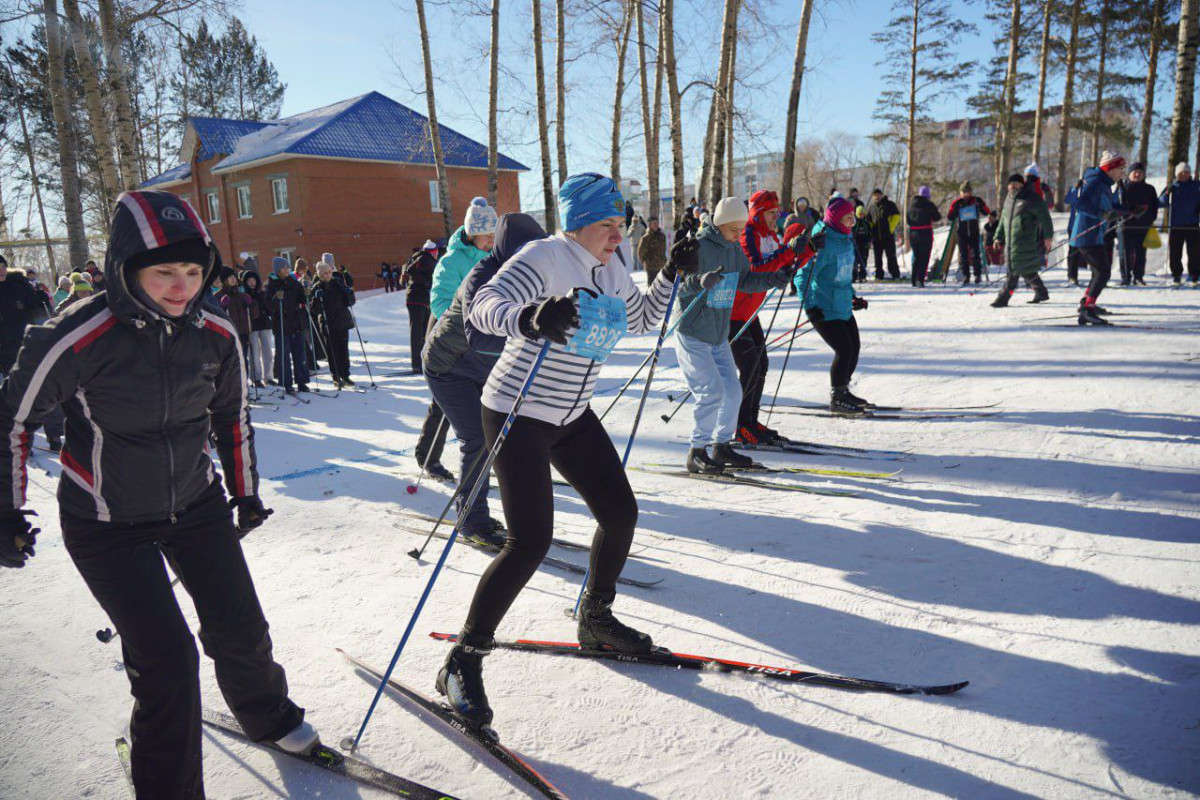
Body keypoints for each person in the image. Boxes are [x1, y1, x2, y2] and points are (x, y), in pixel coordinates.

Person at [0, 190, 318, 798]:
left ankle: (267, 715)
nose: (182, 286)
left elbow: (232, 417)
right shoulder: (77, 336)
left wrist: (245, 493)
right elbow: (10, 419)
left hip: (194, 503)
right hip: (105, 519)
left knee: (241, 626)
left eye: (194, 271)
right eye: (165, 271)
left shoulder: (216, 332)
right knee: (168, 663)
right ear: (127, 270)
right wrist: (4, 509)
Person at [440, 173, 682, 728]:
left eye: (623, 225)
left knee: (620, 513)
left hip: (571, 413)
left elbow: (643, 319)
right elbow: (483, 307)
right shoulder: (543, 256)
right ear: (579, 223)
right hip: (518, 410)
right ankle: (463, 659)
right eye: (608, 225)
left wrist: (670, 273)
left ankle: (595, 619)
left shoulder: (614, 266)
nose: (618, 236)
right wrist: (531, 317)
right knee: (530, 542)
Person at [422, 214, 546, 548]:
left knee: (503, 436)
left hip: (480, 369)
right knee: (478, 440)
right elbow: (477, 336)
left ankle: (496, 510)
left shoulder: (525, 275)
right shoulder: (482, 277)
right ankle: (471, 520)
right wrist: (530, 329)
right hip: (448, 366)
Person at [676, 195, 798, 472]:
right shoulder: (700, 246)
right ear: (720, 224)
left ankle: (721, 447)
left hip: (718, 334)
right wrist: (699, 281)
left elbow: (745, 279)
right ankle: (697, 451)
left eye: (741, 229)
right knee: (711, 392)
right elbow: (679, 283)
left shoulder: (733, 250)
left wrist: (773, 279)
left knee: (732, 391)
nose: (738, 235)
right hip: (693, 332)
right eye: (734, 229)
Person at [732, 190, 800, 446]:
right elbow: (756, 269)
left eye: (778, 213)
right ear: (760, 212)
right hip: (734, 312)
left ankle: (750, 420)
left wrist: (806, 250)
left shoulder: (770, 235)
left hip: (751, 311)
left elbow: (783, 265)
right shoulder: (747, 233)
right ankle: (740, 426)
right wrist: (786, 254)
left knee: (761, 365)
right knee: (750, 367)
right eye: (773, 213)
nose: (777, 218)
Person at [793, 197, 870, 414]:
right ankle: (837, 397)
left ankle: (843, 391)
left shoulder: (844, 237)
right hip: (824, 306)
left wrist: (853, 296)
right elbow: (802, 276)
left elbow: (842, 274)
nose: (852, 223)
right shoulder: (823, 242)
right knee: (844, 349)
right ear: (836, 218)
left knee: (854, 347)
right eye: (848, 218)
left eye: (853, 218)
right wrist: (810, 306)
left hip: (842, 304)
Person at [1071, 150, 1126, 325]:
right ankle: (1087, 308)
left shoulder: (1104, 184)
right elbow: (1080, 204)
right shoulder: (1095, 182)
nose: (1122, 173)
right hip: (1087, 235)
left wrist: (1130, 210)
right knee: (1103, 272)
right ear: (1110, 168)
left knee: (1099, 271)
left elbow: (1109, 207)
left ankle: (1087, 304)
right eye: (1120, 169)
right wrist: (1103, 215)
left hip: (1095, 236)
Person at [989, 173, 1053, 307]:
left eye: (1016, 184)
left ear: (1022, 185)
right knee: (1026, 269)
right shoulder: (1008, 199)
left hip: (1025, 241)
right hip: (1011, 243)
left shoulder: (1031, 199)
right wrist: (997, 237)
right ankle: (1041, 291)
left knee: (1013, 271)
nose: (1013, 186)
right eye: (1011, 184)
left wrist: (1048, 237)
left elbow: (1045, 218)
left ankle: (1003, 297)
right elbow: (1003, 220)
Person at [265, 256, 311, 392]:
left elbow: (301, 298)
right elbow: (268, 306)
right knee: (284, 356)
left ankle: (302, 381)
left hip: (296, 323)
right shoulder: (272, 285)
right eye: (284, 267)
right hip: (281, 325)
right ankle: (287, 383)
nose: (287, 270)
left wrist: (306, 293)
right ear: (278, 270)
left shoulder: (294, 282)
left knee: (300, 354)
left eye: (288, 267)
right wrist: (275, 299)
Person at [312, 257, 357, 387]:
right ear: (320, 275)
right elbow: (314, 310)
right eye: (324, 273)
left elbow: (350, 302)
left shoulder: (338, 283)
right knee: (332, 351)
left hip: (342, 321)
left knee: (343, 350)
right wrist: (316, 298)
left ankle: (345, 375)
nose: (328, 275)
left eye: (329, 272)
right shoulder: (317, 287)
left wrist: (349, 293)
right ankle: (336, 376)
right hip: (328, 323)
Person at [0, 255, 44, 375]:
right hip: (4, 345)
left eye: (3, 266)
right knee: (11, 381)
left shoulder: (19, 284)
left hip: (25, 339)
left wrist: (38, 299)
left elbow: (34, 310)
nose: (1, 270)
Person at [1158, 162, 1200, 286]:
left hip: (1192, 224)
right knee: (1175, 252)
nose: (1184, 174)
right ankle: (1176, 275)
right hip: (1176, 225)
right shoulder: (1173, 187)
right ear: (1177, 174)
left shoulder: (1196, 186)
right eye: (1181, 172)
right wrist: (1167, 193)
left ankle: (1194, 275)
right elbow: (1161, 203)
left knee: (1194, 252)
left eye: (1186, 172)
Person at [401, 241, 437, 373]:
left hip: (421, 299)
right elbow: (410, 270)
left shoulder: (422, 258)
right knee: (417, 333)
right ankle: (416, 364)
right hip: (417, 299)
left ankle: (421, 362)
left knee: (424, 332)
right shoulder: (424, 257)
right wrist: (426, 283)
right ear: (432, 251)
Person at [1120, 163, 1158, 286]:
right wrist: (1130, 211)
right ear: (1129, 174)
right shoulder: (1123, 188)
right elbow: (1119, 206)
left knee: (1141, 253)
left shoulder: (1150, 189)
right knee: (1126, 253)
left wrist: (1149, 219)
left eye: (1140, 172)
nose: (1137, 174)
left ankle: (1139, 276)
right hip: (1126, 226)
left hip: (1143, 226)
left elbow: (1154, 207)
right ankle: (1126, 277)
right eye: (1134, 172)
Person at [947, 182, 990, 284]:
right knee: (964, 255)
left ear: (971, 192)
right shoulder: (957, 202)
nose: (966, 194)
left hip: (974, 231)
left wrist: (980, 205)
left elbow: (986, 211)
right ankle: (966, 275)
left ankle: (977, 275)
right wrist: (955, 209)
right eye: (964, 192)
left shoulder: (976, 201)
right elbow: (950, 216)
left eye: (968, 192)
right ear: (960, 193)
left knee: (976, 254)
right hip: (962, 233)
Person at [217, 266, 255, 372]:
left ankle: (244, 384)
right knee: (232, 360)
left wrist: (251, 304)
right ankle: (233, 384)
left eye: (234, 276)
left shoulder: (241, 296)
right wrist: (222, 306)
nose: (233, 279)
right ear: (224, 280)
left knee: (243, 358)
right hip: (228, 335)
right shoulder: (218, 296)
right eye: (230, 277)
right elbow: (215, 316)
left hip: (243, 333)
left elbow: (254, 314)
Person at [243, 270, 274, 388]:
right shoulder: (244, 296)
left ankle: (269, 377)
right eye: (249, 280)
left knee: (268, 353)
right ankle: (256, 377)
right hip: (252, 327)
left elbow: (269, 307)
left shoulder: (262, 293)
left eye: (254, 280)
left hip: (265, 324)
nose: (252, 283)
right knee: (255, 353)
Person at [906, 185, 941, 287]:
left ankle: (913, 279)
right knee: (924, 257)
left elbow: (908, 219)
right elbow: (937, 217)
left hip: (913, 233)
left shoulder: (911, 205)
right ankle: (920, 279)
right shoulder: (929, 204)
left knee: (916, 256)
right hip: (925, 232)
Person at [865, 189, 901, 279]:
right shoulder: (871, 207)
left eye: (878, 195)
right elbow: (868, 221)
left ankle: (895, 274)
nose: (877, 197)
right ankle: (879, 274)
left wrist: (890, 228)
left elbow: (896, 216)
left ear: (881, 195)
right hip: (876, 237)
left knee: (891, 256)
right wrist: (871, 230)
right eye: (875, 195)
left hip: (888, 235)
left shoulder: (889, 204)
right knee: (877, 257)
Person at [1064, 178, 1085, 285]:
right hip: (1074, 226)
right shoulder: (1078, 191)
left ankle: (1096, 276)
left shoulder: (1094, 189)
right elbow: (1068, 200)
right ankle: (1072, 275)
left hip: (1088, 225)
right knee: (1073, 252)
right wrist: (1075, 188)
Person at [638, 216, 668, 285]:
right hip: (651, 268)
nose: (656, 224)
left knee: (662, 287)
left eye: (657, 223)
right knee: (651, 288)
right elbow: (640, 253)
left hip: (662, 266)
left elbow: (663, 250)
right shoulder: (645, 238)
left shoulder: (662, 236)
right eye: (654, 223)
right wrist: (646, 262)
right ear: (649, 225)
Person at [852, 205, 871, 282]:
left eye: (862, 214)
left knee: (863, 260)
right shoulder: (854, 223)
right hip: (855, 244)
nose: (861, 215)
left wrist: (869, 241)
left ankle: (862, 276)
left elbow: (870, 233)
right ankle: (854, 276)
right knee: (854, 262)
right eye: (859, 214)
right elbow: (851, 232)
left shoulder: (866, 223)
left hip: (864, 244)